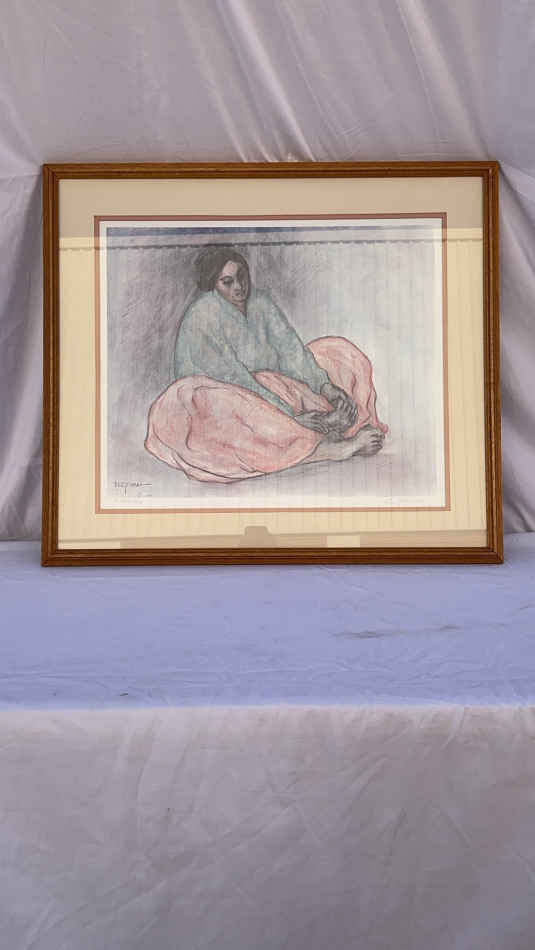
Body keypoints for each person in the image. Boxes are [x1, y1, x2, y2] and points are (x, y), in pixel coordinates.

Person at [145, 245, 387, 483]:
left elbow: (290, 348)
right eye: (227, 282)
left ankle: (327, 426)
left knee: (335, 353)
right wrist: (288, 416)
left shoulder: (260, 302)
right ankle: (331, 448)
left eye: (241, 276)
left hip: (270, 388)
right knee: (236, 412)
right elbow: (235, 379)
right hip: (220, 403)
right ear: (214, 285)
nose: (239, 287)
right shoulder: (202, 316)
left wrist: (325, 387)